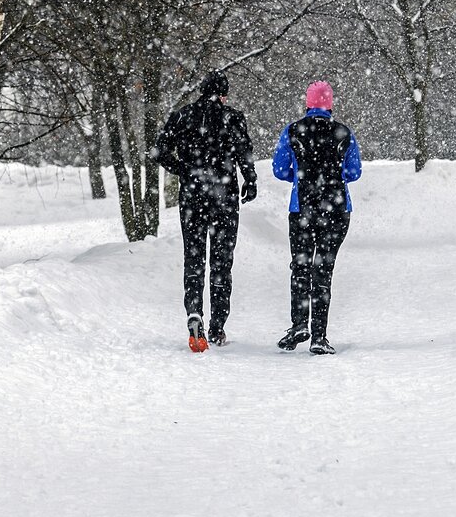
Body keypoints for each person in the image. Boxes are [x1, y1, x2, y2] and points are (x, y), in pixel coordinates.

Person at [153, 71, 257, 352]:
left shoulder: (182, 116)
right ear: (223, 94)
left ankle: (194, 311)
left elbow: (160, 151)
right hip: (224, 197)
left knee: (194, 259)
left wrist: (184, 170)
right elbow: (244, 152)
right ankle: (218, 325)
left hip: (192, 197)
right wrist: (250, 180)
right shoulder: (232, 118)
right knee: (222, 263)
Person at [271, 80, 362, 355]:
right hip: (335, 210)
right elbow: (354, 172)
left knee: (300, 266)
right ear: (330, 104)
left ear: (308, 104)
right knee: (323, 271)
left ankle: (299, 324)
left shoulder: (293, 130)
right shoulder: (343, 133)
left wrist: (300, 179)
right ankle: (319, 336)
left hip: (302, 209)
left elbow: (278, 168)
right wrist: (333, 180)